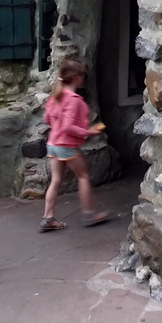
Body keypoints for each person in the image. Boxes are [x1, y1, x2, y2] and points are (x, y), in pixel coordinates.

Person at [39, 59, 110, 231]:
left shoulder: (56, 96)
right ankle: (88, 214)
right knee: (83, 176)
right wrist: (89, 132)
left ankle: (48, 218)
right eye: (83, 75)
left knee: (56, 180)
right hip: (66, 146)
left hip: (53, 143)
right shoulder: (74, 100)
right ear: (77, 77)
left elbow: (47, 118)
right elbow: (68, 127)